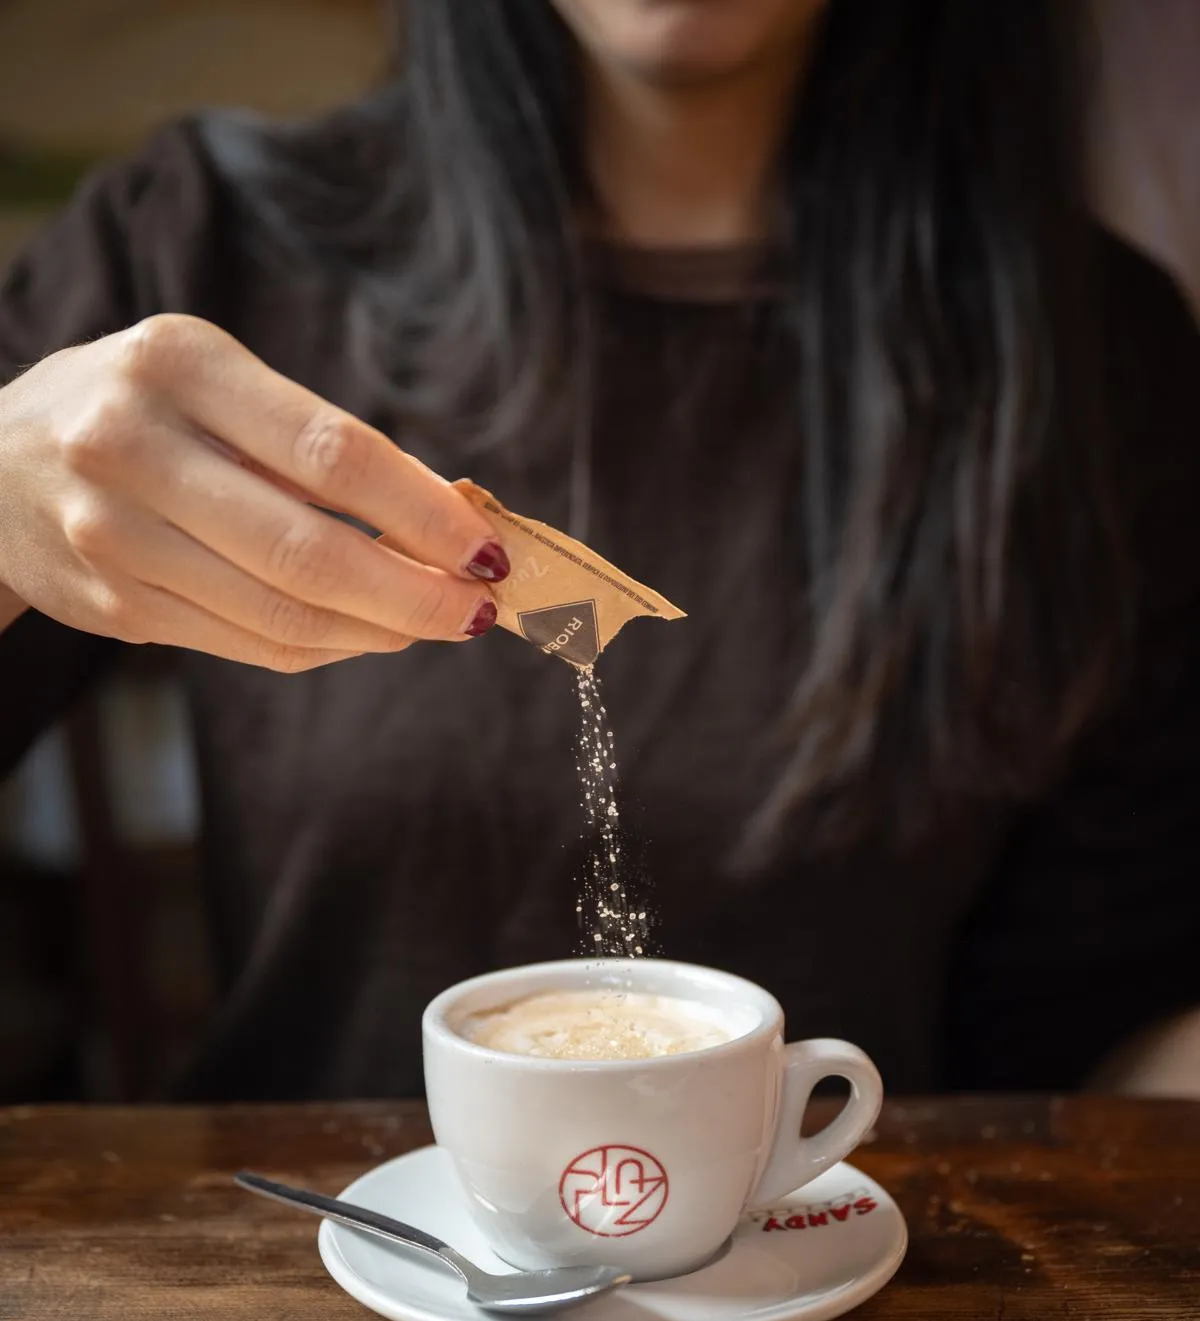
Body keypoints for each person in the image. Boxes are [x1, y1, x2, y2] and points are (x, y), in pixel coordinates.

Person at [1, 0, 1198, 1101]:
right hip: (282, 1269)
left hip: (862, 1280)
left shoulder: (1094, 362)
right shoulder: (198, 253)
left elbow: (1083, 1032)